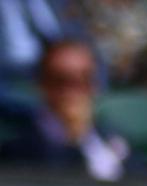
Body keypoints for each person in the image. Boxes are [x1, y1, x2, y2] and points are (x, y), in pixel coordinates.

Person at [0, 39, 125, 178]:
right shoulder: (16, 153)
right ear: (41, 85)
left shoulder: (115, 142)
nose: (72, 90)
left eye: (84, 79)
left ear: (95, 85)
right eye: (61, 80)